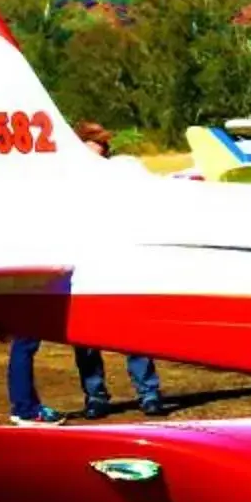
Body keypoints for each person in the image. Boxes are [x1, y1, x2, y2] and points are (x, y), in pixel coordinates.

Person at [70, 125, 166, 416]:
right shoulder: (70, 180)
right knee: (85, 339)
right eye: (87, 144)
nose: (93, 150)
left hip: (120, 265)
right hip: (83, 268)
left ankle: (148, 392)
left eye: (96, 144)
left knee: (134, 333)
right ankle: (95, 396)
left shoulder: (120, 172)